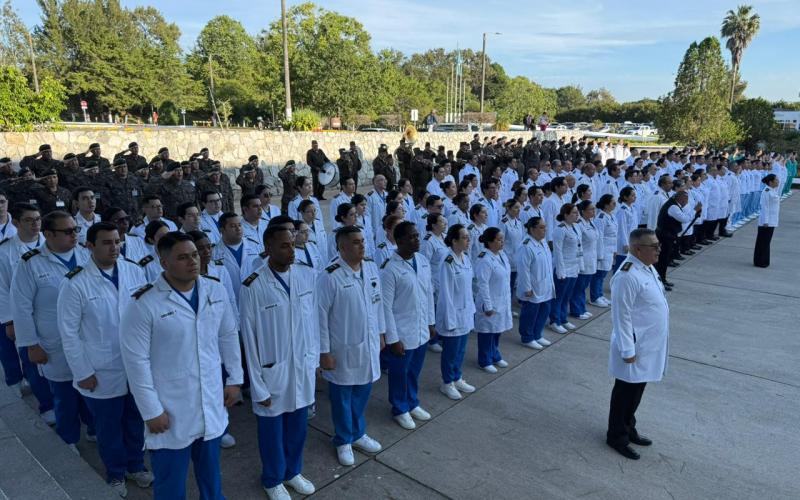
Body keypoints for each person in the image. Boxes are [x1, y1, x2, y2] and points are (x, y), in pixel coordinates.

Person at [120, 232, 242, 499]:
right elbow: (136, 362)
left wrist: (234, 379)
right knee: (170, 484)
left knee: (211, 479)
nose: (193, 262)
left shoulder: (214, 289)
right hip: (170, 409)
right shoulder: (144, 303)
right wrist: (151, 410)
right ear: (164, 263)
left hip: (210, 399)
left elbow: (228, 334)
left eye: (195, 255)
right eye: (183, 257)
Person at [57, 222, 153, 496]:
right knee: (108, 426)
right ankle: (115, 473)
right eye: (107, 242)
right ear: (90, 246)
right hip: (100, 369)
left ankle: (136, 465)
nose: (115, 247)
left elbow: (146, 316)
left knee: (135, 419)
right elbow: (69, 333)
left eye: (117, 241)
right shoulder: (75, 283)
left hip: (135, 364)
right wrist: (82, 371)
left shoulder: (134, 271)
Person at [239, 225, 317, 499]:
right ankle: (272, 479)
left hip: (301, 368)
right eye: (284, 246)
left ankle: (293, 472)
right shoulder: (253, 285)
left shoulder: (306, 275)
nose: (291, 251)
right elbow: (248, 340)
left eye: (293, 245)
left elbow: (313, 322)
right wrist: (257, 387)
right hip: (272, 372)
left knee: (298, 427)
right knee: (272, 432)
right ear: (268, 248)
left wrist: (313, 361)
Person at [12, 211, 94, 451]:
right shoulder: (30, 263)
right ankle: (68, 438)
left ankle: (93, 429)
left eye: (75, 230)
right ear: (48, 234)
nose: (74, 235)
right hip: (53, 340)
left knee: (91, 388)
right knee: (65, 395)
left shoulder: (85, 255)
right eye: (67, 231)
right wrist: (31, 344)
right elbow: (21, 307)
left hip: (87, 339)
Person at [317, 226, 385, 466]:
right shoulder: (330, 275)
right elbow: (320, 317)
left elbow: (378, 303)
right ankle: (343, 439)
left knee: (362, 391)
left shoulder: (371, 267)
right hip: (341, 349)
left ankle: (358, 433)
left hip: (368, 343)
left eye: (363, 241)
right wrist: (324, 352)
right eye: (356, 242)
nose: (362, 245)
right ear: (342, 247)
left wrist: (381, 332)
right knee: (342, 396)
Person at [606, 229, 669, 460]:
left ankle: (629, 428)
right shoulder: (627, 275)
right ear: (637, 249)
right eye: (653, 246)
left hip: (648, 345)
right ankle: (616, 436)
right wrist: (627, 351)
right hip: (634, 347)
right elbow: (620, 316)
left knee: (636, 392)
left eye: (658, 244)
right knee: (624, 393)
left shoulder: (647, 267)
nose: (658, 249)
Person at [0, 202, 54, 423]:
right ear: (16, 222)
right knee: (31, 360)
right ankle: (47, 406)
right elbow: (2, 288)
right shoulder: (5, 251)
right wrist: (10, 320)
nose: (35, 224)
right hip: (24, 315)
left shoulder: (51, 245)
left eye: (38, 219)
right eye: (29, 220)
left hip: (51, 314)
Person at [380, 221, 435, 430]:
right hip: (402, 332)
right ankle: (400, 408)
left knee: (414, 370)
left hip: (420, 327)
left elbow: (428, 293)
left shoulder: (421, 260)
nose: (416, 240)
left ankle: (412, 402)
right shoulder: (389, 269)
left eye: (417, 236)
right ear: (399, 240)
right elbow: (385, 308)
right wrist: (393, 339)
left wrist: (430, 322)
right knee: (399, 373)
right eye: (411, 237)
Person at [435, 224, 476, 400]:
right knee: (450, 351)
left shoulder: (465, 258)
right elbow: (445, 294)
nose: (469, 240)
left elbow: (468, 288)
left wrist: (471, 310)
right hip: (452, 314)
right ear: (454, 240)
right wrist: (450, 319)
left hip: (465, 312)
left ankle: (457, 377)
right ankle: (447, 382)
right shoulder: (447, 261)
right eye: (465, 237)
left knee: (461, 349)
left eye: (468, 237)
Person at [474, 227, 512, 373]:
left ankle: (495, 354)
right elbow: (482, 284)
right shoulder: (484, 259)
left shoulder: (501, 255)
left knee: (497, 330)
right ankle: (484, 360)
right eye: (498, 239)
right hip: (489, 301)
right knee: (487, 332)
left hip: (501, 299)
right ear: (489, 242)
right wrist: (488, 305)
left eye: (502, 239)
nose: (502, 242)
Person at [515, 217, 554, 349]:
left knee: (544, 310)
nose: (545, 230)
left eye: (545, 227)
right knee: (530, 313)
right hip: (533, 286)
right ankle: (527, 337)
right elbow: (523, 269)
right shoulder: (526, 246)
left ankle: (537, 334)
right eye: (541, 227)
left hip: (545, 284)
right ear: (532, 229)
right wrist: (527, 288)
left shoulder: (542, 242)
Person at [211, 212, 261, 304]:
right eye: (233, 226)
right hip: (230, 303)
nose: (238, 229)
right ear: (222, 230)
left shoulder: (255, 245)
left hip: (256, 300)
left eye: (239, 225)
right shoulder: (214, 253)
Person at [655, 191, 700, 290]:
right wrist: (694, 210)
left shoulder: (673, 203)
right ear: (682, 199)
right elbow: (684, 219)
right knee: (663, 259)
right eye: (686, 200)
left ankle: (663, 279)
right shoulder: (673, 207)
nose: (687, 202)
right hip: (665, 235)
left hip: (668, 234)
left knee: (665, 258)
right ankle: (660, 281)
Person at [549, 203, 581, 334]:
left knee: (567, 295)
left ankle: (563, 318)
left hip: (574, 266)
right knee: (559, 296)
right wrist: (560, 270)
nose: (577, 215)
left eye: (577, 212)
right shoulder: (560, 229)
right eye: (574, 213)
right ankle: (554, 321)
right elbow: (558, 252)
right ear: (566, 214)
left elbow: (580, 247)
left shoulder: (576, 227)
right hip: (564, 267)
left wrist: (580, 264)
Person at [569, 200, 599, 320]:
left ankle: (582, 308)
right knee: (579, 287)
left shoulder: (591, 222)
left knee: (583, 286)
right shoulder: (579, 224)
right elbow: (578, 244)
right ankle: (576, 310)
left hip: (591, 258)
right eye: (591, 209)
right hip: (583, 259)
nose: (593, 211)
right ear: (583, 211)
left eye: (593, 209)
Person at [590, 195, 617, 307]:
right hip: (603, 248)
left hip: (610, 248)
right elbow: (599, 236)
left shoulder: (611, 216)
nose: (615, 204)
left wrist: (615, 249)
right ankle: (594, 297)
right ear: (606, 204)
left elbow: (615, 234)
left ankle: (600, 295)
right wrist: (599, 253)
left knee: (604, 273)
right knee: (599, 274)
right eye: (612, 202)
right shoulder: (600, 217)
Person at [753, 174, 780, 268]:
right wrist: (765, 221)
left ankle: (763, 260)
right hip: (766, 222)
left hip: (771, 220)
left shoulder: (773, 190)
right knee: (763, 242)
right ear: (770, 182)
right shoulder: (767, 191)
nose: (778, 181)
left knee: (766, 242)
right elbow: (765, 207)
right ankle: (760, 261)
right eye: (776, 180)